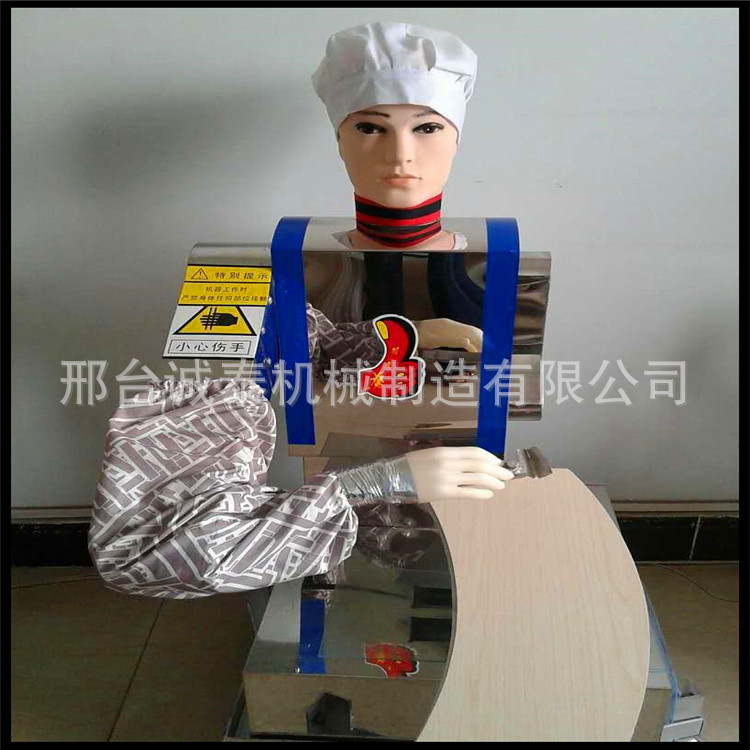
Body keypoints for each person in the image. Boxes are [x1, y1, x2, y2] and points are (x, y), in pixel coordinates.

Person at [88, 21, 514, 599]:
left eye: (428, 127)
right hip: (336, 561)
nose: (401, 154)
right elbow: (142, 554)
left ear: (456, 138)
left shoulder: (500, 267)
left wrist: (400, 335)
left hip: (465, 533)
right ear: (339, 139)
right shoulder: (241, 279)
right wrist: (375, 483)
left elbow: (318, 346)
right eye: (370, 127)